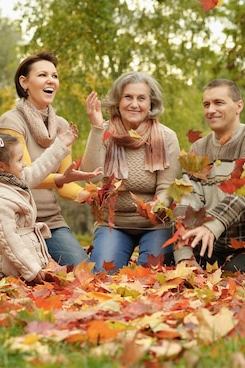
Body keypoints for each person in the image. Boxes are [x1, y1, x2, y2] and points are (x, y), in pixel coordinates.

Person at [0, 51, 100, 267]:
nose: (51, 80)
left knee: (84, 273)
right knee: (33, 279)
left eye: (55, 76)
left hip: (51, 221)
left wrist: (92, 196)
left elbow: (65, 185)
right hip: (17, 221)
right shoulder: (11, 122)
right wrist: (60, 179)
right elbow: (24, 177)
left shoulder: (60, 125)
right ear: (24, 82)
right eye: (42, 75)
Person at [79, 71, 181, 273]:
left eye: (141, 98)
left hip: (154, 225)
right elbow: (92, 175)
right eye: (128, 97)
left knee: (152, 278)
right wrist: (96, 127)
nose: (134, 104)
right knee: (102, 274)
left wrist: (153, 208)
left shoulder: (167, 137)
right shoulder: (104, 131)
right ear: (118, 101)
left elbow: (166, 188)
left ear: (151, 103)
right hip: (113, 225)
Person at [173, 79, 245, 272]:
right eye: (206, 104)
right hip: (210, 242)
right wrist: (184, 256)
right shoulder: (198, 149)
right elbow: (186, 203)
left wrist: (213, 225)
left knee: (231, 277)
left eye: (218, 103)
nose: (210, 110)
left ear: (239, 106)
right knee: (169, 265)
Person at [0, 128, 88, 286]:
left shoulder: (12, 180)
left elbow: (38, 169)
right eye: (19, 160)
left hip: (25, 266)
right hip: (9, 270)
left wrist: (60, 144)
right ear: (1, 167)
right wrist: (31, 270)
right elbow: (9, 241)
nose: (24, 164)